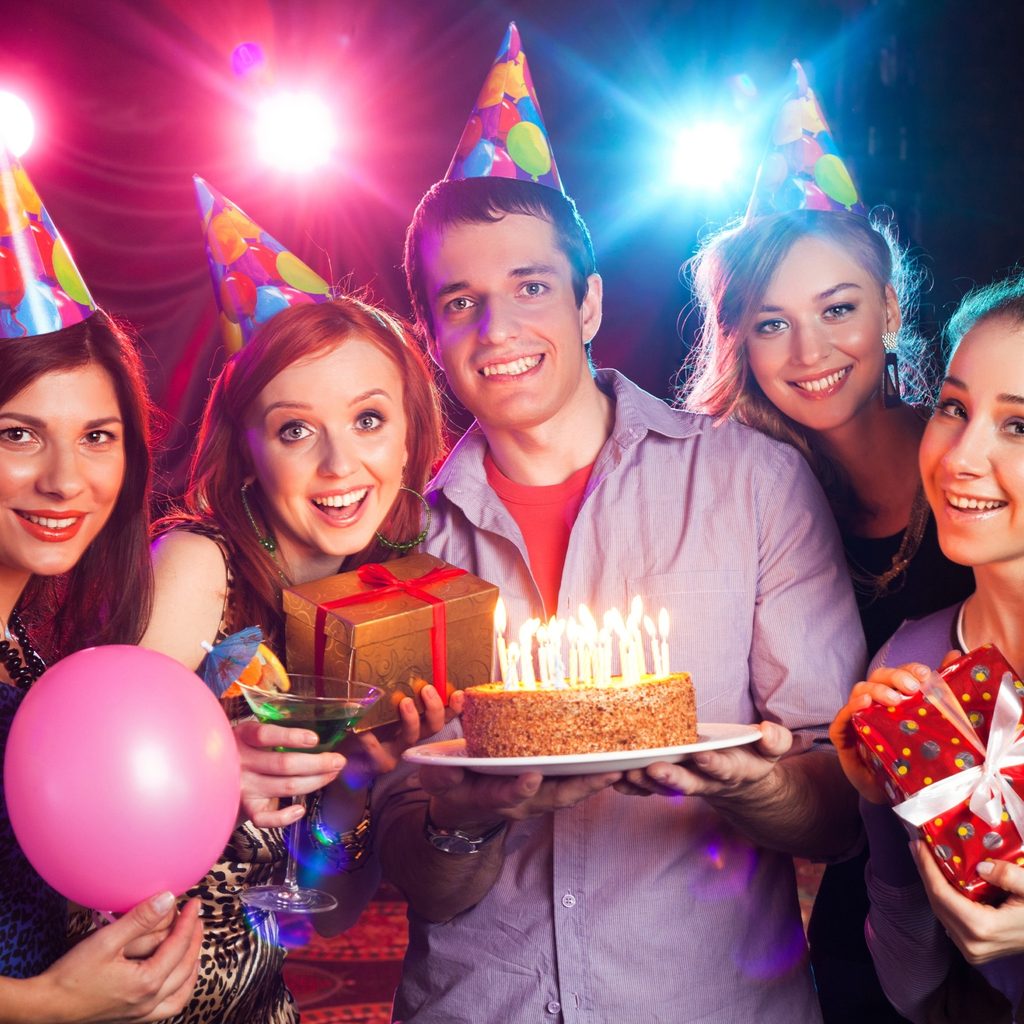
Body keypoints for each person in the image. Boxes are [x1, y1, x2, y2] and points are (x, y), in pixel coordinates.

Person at [360, 25, 865, 1023]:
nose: (496, 329)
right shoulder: (394, 541)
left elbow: (840, 806)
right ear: (427, 337)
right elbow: (402, 871)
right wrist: (463, 819)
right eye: (459, 302)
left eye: (529, 288)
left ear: (588, 304)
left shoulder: (751, 484)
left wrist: (741, 785)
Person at [684, 61, 973, 1023]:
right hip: (874, 900)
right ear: (743, 344)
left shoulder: (986, 468)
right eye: (775, 323)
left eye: (839, 310)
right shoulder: (759, 505)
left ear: (892, 313)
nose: (810, 353)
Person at [140, 270, 447, 1019]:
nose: (340, 466)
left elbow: (316, 919)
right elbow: (105, 814)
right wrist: (210, 769)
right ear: (247, 453)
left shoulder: (371, 612)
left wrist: (355, 779)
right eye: (295, 429)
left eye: (369, 419)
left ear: (410, 438)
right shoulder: (198, 566)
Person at [831, 274, 1024, 1022]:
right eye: (954, 408)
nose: (960, 457)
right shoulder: (911, 664)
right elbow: (915, 993)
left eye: (1019, 426)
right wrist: (888, 809)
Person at [0, 307, 203, 1018]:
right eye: (18, 434)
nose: (64, 480)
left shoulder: (21, 649)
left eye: (96, 437)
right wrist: (43, 1004)